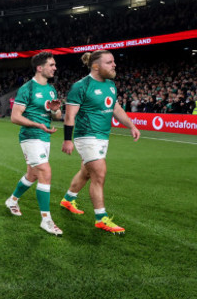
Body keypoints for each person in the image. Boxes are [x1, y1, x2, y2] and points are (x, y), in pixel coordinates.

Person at [60, 50, 140, 235]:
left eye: (113, 62)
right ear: (96, 66)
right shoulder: (81, 86)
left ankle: (68, 199)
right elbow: (70, 115)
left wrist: (131, 125)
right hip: (86, 136)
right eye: (109, 62)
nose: (114, 65)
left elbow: (116, 108)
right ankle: (101, 218)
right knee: (99, 174)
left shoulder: (111, 85)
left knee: (86, 173)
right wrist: (67, 139)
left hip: (103, 137)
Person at [5, 51, 63, 236]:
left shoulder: (52, 90)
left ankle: (12, 200)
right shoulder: (27, 89)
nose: (55, 68)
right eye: (51, 65)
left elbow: (58, 116)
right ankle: (46, 220)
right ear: (40, 68)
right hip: (30, 136)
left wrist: (54, 111)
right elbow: (15, 117)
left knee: (33, 174)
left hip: (44, 137)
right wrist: (37, 124)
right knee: (45, 171)